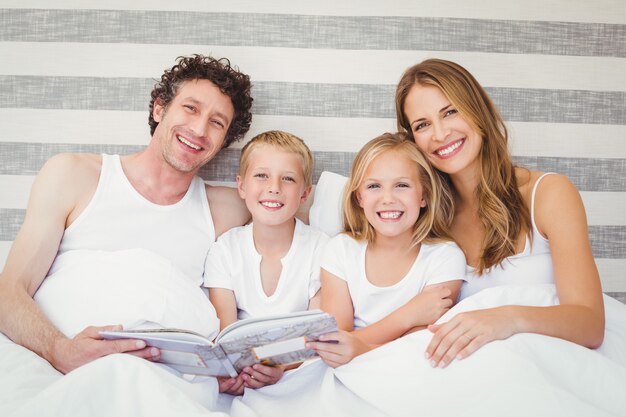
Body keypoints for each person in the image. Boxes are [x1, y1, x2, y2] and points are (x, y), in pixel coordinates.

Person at [0, 54, 254, 413]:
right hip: (59, 369)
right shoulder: (74, 175)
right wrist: (61, 351)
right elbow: (9, 292)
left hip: (160, 384)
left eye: (217, 122)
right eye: (190, 109)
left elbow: (297, 220)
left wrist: (232, 368)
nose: (199, 130)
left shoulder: (229, 209)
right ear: (159, 109)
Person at [394, 58, 606, 368]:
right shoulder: (427, 220)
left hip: (550, 369)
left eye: (450, 112)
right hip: (469, 379)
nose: (439, 134)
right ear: (413, 140)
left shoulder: (548, 194)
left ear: (477, 110)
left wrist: (507, 318)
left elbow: (590, 324)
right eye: (422, 125)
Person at [307, 133, 466, 368]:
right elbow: (334, 344)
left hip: (409, 372)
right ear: (359, 197)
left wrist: (360, 348)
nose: (388, 198)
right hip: (346, 370)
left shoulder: (445, 258)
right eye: (374, 186)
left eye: (402, 185)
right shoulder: (340, 250)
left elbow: (420, 347)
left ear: (424, 196)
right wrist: (408, 315)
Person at [204, 130, 329, 391]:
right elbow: (225, 334)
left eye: (288, 179)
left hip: (298, 369)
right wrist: (240, 370)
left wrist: (280, 366)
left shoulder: (321, 248)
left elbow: (316, 332)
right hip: (244, 368)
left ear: (304, 194)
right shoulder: (225, 249)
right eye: (262, 175)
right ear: (241, 186)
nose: (274, 187)